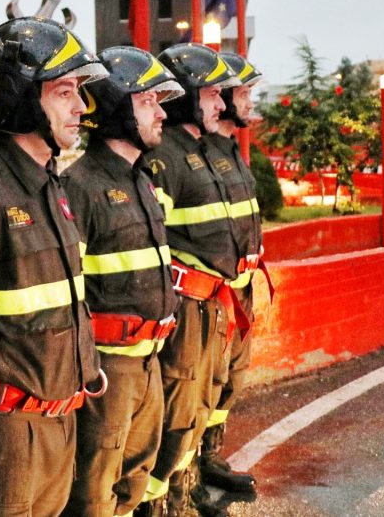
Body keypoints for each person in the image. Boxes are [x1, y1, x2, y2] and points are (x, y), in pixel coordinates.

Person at [0, 16, 107, 516]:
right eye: (65, 92)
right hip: (4, 436)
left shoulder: (50, 187)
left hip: (59, 423)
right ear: (21, 97)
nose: (81, 108)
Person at [61, 46, 185, 517]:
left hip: (150, 363)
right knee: (94, 491)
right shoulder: (81, 187)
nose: (161, 113)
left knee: (135, 480)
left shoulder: (143, 181)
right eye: (148, 101)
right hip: (109, 372)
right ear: (115, 105)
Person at [139, 43, 242, 517]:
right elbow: (151, 248)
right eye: (212, 93)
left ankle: (183, 495)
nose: (220, 104)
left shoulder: (195, 152)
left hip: (210, 307)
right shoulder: (166, 160)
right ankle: (164, 505)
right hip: (184, 312)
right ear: (187, 97)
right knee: (176, 418)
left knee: (197, 411)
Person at [197, 53, 265, 498]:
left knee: (229, 382)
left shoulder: (229, 153)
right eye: (242, 93)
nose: (247, 101)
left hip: (239, 290)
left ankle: (210, 457)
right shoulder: (199, 155)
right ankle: (192, 474)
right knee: (201, 389)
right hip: (213, 295)